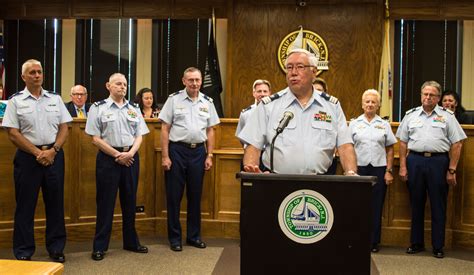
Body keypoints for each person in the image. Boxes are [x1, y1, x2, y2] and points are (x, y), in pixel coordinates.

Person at [238, 48, 357, 175]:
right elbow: (253, 146)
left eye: (300, 67)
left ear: (314, 72)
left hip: (320, 184)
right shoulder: (269, 106)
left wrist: (350, 172)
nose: (293, 72)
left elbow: (345, 146)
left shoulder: (331, 106)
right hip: (276, 182)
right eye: (289, 67)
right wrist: (253, 171)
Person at [1, 59, 72, 262]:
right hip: (27, 159)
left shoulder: (55, 99)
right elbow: (13, 133)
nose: (37, 75)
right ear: (24, 77)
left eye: (39, 71)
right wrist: (37, 153)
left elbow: (65, 127)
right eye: (32, 72)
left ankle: (56, 248)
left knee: (56, 205)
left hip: (55, 156)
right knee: (25, 206)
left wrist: (53, 150)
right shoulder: (16, 101)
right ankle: (23, 251)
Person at [396, 80, 466, 259]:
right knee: (416, 203)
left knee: (438, 205)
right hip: (415, 161)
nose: (427, 97)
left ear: (438, 98)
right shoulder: (410, 115)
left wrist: (451, 169)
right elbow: (403, 142)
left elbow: (457, 143)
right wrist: (403, 166)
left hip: (438, 162)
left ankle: (438, 245)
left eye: (432, 95)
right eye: (425, 94)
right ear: (421, 95)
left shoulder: (447, 116)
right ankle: (416, 243)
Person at [85, 73, 150, 261]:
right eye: (118, 84)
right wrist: (117, 155)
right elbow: (95, 139)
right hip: (108, 160)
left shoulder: (134, 108)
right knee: (105, 203)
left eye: (125, 84)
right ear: (108, 86)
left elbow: (140, 135)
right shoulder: (98, 108)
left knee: (130, 202)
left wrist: (130, 153)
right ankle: (100, 246)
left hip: (130, 158)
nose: (122, 87)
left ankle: (131, 242)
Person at [159, 67, 220, 252]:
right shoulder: (173, 99)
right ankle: (175, 238)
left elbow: (210, 130)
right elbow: (164, 128)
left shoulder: (207, 102)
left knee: (195, 196)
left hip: (198, 154)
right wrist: (165, 156)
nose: (194, 83)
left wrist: (209, 154)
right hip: (177, 151)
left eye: (197, 80)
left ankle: (194, 237)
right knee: (174, 197)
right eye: (191, 80)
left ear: (201, 81)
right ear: (184, 81)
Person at [349, 89, 397, 253]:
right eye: (367, 102)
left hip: (378, 168)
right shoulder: (354, 123)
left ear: (378, 105)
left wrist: (389, 171)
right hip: (358, 169)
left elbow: (390, 149)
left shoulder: (384, 124)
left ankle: (373, 242)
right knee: (357, 206)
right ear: (362, 104)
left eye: (373, 102)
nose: (370, 104)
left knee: (376, 207)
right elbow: (347, 147)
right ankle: (357, 239)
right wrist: (350, 170)